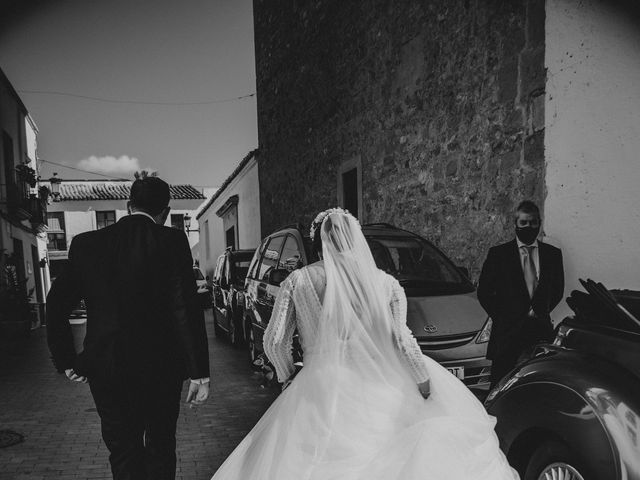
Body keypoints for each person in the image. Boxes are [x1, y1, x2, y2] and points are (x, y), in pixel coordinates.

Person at [210, 208, 518, 480]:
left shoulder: (299, 281)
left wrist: (287, 376)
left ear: (318, 243)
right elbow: (401, 340)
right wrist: (422, 381)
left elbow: (274, 340)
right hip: (379, 386)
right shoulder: (385, 284)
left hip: (319, 388)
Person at [46, 172, 210, 480]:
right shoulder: (173, 241)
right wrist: (199, 372)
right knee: (161, 446)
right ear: (165, 211)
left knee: (122, 450)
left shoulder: (86, 244)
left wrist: (67, 361)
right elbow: (184, 309)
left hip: (107, 368)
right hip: (162, 368)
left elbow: (55, 305)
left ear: (128, 204)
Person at [477, 200, 564, 389]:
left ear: (539, 223)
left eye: (533, 222)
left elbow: (558, 290)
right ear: (515, 224)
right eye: (523, 223)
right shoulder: (498, 254)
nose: (528, 227)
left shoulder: (553, 255)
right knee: (500, 385)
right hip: (507, 332)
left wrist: (540, 310)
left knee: (539, 384)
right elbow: (484, 291)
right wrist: (503, 316)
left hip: (539, 329)